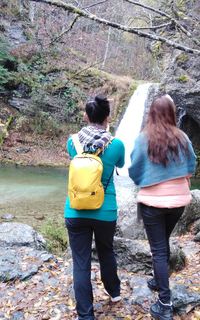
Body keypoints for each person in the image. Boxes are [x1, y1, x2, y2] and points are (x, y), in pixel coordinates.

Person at [128, 94, 196, 320]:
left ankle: (164, 302)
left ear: (152, 113)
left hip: (153, 203)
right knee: (163, 242)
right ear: (171, 112)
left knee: (157, 249)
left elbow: (135, 169)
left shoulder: (143, 138)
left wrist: (146, 178)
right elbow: (191, 165)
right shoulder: (182, 137)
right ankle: (159, 280)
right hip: (178, 203)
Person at [64, 94, 125, 320]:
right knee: (106, 251)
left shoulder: (73, 142)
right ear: (108, 117)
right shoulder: (116, 144)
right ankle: (114, 293)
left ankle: (86, 315)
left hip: (75, 209)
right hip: (105, 211)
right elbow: (120, 164)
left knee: (81, 261)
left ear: (86, 116)